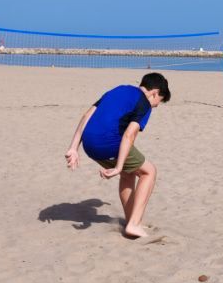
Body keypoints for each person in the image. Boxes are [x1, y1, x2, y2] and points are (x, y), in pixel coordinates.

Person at [65, 72, 171, 239]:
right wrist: (118, 167)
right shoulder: (144, 104)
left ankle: (131, 221)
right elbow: (129, 135)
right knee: (149, 172)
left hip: (88, 145)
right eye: (159, 101)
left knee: (129, 174)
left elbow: (86, 116)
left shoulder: (118, 89)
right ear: (155, 92)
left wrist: (73, 148)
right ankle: (134, 224)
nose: (157, 105)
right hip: (107, 144)